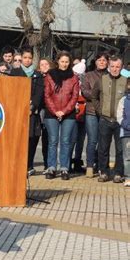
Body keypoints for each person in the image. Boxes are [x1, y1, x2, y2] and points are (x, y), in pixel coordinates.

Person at [43, 51, 79, 180]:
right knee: (52, 141)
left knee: (65, 141)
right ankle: (51, 167)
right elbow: (47, 95)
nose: (64, 64)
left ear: (69, 63)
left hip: (68, 114)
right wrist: (55, 111)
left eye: (67, 62)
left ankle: (64, 168)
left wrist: (64, 111)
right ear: (58, 61)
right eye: (62, 61)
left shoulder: (74, 77)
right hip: (51, 113)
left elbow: (74, 97)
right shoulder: (50, 76)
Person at [92, 55, 126, 183]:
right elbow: (94, 97)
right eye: (112, 66)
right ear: (108, 66)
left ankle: (118, 173)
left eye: (117, 66)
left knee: (120, 149)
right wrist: (100, 110)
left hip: (120, 121)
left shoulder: (126, 81)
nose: (115, 69)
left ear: (121, 67)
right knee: (103, 148)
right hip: (105, 119)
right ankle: (104, 172)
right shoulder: (102, 80)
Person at [10, 46, 44, 176]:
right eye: (25, 58)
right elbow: (12, 91)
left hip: (32, 113)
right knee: (18, 139)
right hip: (18, 111)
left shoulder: (38, 75)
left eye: (30, 58)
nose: (27, 60)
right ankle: (17, 164)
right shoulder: (15, 72)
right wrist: (21, 105)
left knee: (32, 139)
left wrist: (32, 106)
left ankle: (29, 165)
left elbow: (39, 93)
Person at [81, 52, 108, 177]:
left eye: (104, 60)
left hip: (106, 112)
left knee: (104, 140)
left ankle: (101, 165)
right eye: (99, 60)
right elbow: (84, 91)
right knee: (92, 140)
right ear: (95, 62)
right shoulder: (88, 75)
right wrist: (97, 94)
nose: (102, 62)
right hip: (91, 111)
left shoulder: (110, 76)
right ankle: (90, 165)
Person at [69, 58, 87, 173]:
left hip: (84, 113)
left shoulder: (86, 83)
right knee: (72, 139)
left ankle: (77, 161)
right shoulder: (69, 82)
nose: (78, 76)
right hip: (73, 114)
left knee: (81, 139)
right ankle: (67, 162)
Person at [38, 58, 55, 171]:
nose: (44, 66)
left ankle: (47, 164)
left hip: (49, 110)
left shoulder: (53, 77)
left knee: (48, 138)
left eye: (46, 64)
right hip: (38, 109)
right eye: (41, 64)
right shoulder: (37, 78)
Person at [116, 81, 129, 185]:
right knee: (127, 156)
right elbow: (120, 117)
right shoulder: (124, 100)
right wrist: (128, 126)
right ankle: (128, 177)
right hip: (126, 132)